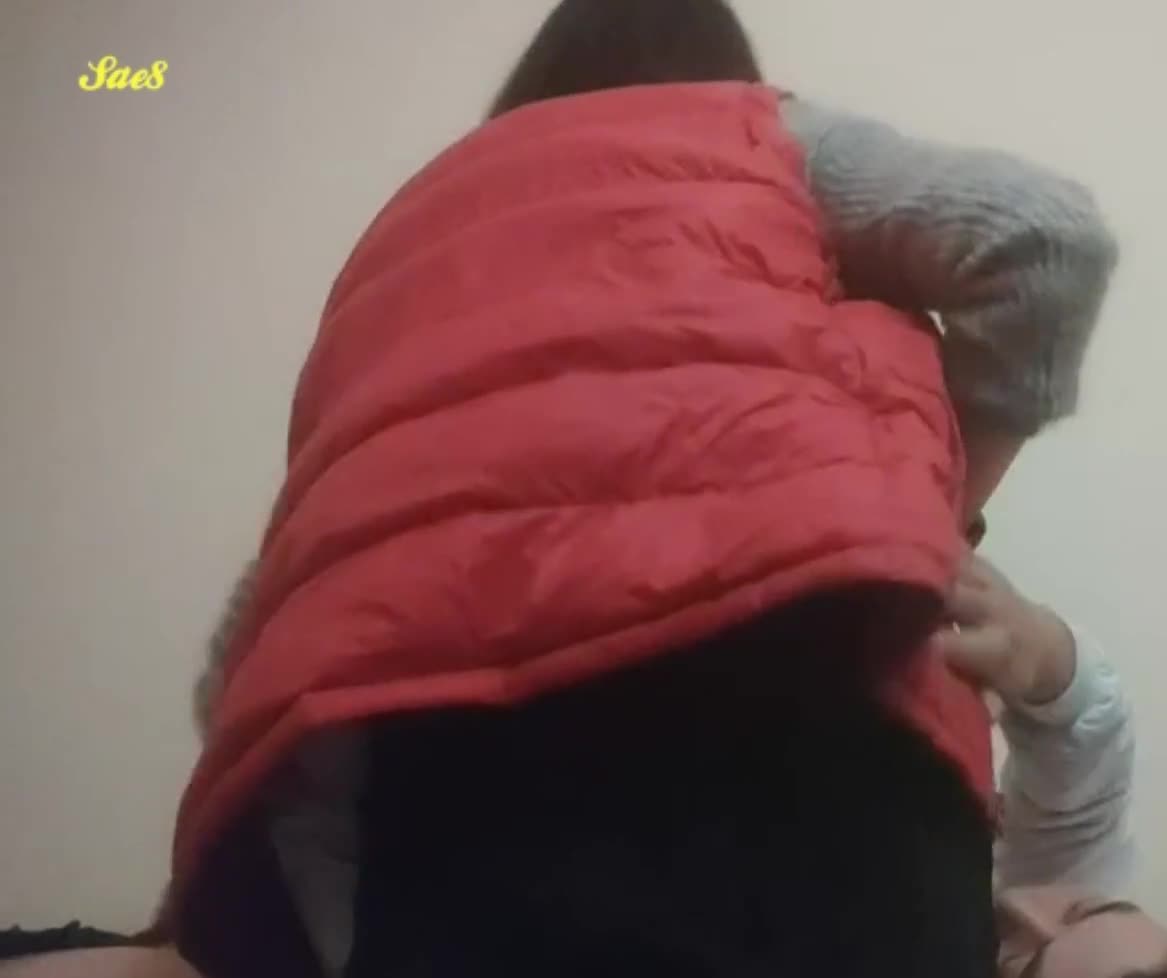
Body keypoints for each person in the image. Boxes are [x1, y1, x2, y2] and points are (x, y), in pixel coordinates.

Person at [165, 1, 1118, 976]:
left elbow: (275, 629)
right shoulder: (755, 136)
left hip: (466, 824)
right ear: (726, 78)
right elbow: (1043, 240)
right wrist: (938, 509)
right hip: (823, 773)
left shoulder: (403, 247)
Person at [940, 556, 1167, 978]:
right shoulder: (1066, 890)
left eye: (1020, 965)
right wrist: (1036, 655)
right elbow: (1090, 732)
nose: (1014, 902)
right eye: (1084, 909)